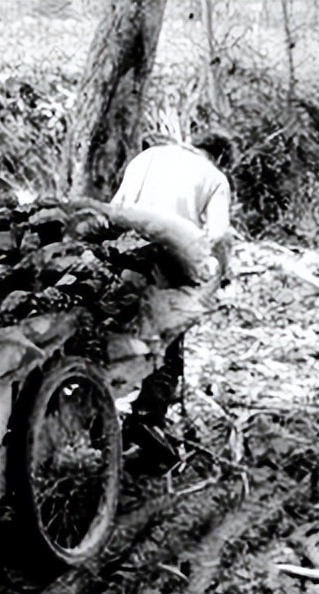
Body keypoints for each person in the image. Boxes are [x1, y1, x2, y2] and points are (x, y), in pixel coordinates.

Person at [111, 133, 235, 466]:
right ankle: (146, 420)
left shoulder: (148, 157)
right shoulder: (215, 178)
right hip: (169, 265)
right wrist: (218, 270)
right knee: (166, 341)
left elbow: (116, 206)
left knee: (113, 335)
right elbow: (220, 233)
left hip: (120, 253)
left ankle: (101, 414)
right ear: (222, 159)